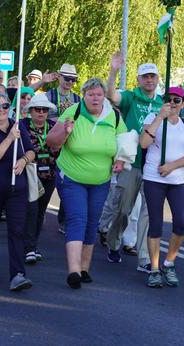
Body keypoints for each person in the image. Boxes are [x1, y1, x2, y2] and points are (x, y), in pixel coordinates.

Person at [46, 78, 127, 289]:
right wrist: (65, 131)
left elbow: (125, 144)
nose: (95, 98)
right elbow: (51, 143)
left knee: (92, 221)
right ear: (84, 96)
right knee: (77, 218)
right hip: (72, 177)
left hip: (101, 180)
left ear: (104, 97)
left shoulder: (114, 116)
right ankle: (73, 271)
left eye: (99, 94)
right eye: (91, 94)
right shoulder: (72, 112)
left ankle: (84, 268)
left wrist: (120, 160)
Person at [99, 54, 164, 271]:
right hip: (132, 162)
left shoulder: (162, 102)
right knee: (123, 209)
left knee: (148, 213)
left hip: (154, 166)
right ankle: (113, 242)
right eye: (145, 77)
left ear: (157, 79)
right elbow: (111, 95)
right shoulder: (131, 97)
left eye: (152, 76)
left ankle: (145, 259)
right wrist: (114, 71)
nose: (149, 80)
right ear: (138, 79)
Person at [139, 87, 184, 287]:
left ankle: (169, 262)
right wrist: (159, 118)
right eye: (169, 99)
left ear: (183, 103)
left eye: (177, 100)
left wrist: (172, 166)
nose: (172, 103)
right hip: (154, 179)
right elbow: (144, 143)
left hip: (177, 181)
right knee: (155, 224)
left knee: (181, 224)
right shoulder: (154, 117)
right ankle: (155, 269)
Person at [0, 93, 35, 291]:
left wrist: (24, 160)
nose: (1, 109)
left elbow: (31, 150)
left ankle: (18, 274)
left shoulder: (18, 126)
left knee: (17, 230)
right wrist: (10, 138)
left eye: (5, 105)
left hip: (16, 187)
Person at [20, 94, 59, 264]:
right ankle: (28, 248)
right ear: (30, 111)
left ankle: (32, 245)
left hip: (49, 173)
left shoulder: (53, 126)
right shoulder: (22, 125)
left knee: (41, 211)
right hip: (30, 172)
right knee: (31, 209)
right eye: (37, 109)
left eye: (44, 110)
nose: (41, 113)